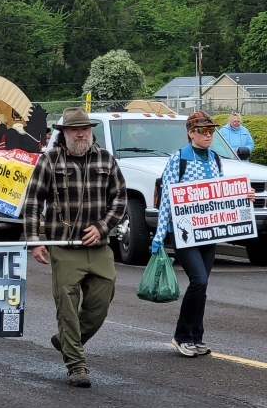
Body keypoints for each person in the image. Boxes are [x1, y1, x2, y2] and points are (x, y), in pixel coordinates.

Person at [23, 107, 127, 388]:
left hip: (99, 245)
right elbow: (33, 202)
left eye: (85, 128)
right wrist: (34, 241)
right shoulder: (50, 160)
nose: (80, 133)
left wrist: (103, 227)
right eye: (74, 129)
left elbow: (120, 199)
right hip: (64, 245)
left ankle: (66, 341)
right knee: (67, 305)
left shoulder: (106, 159)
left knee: (101, 302)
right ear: (63, 133)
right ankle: (76, 365)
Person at [152, 112, 256, 357]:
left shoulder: (215, 159)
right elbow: (167, 197)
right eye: (203, 131)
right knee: (199, 280)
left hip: (208, 231)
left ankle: (196, 336)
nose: (208, 135)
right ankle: (182, 336)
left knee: (203, 285)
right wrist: (159, 237)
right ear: (191, 133)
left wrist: (243, 196)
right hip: (183, 231)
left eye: (211, 131)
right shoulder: (178, 159)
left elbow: (219, 195)